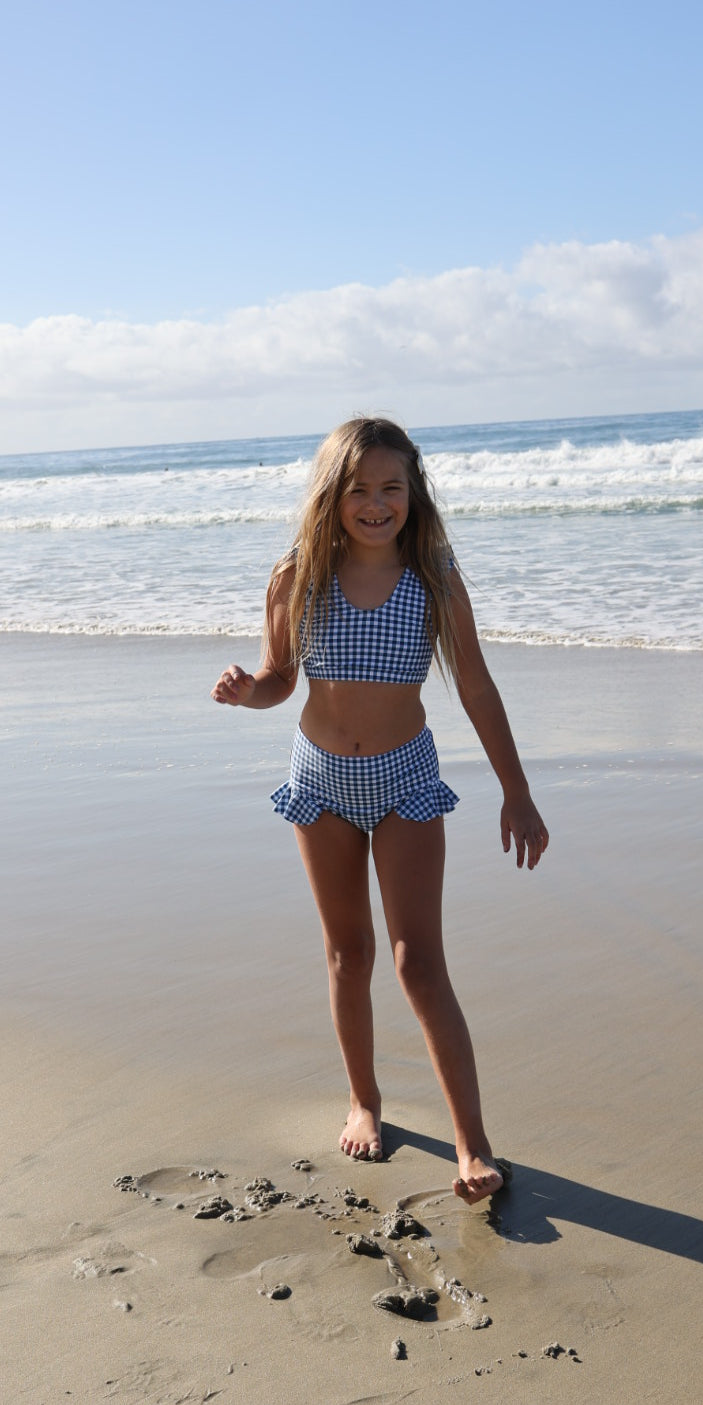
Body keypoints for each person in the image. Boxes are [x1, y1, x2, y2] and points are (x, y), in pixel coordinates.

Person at [211, 417, 548, 1204]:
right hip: (320, 782)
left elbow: (476, 688)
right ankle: (364, 1100)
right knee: (347, 954)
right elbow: (278, 680)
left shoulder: (433, 576)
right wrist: (244, 691)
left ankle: (472, 1144)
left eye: (391, 488)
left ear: (413, 494)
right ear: (331, 496)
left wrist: (518, 791)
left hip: (404, 781)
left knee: (417, 963)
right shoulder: (297, 577)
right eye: (358, 489)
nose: (375, 504)